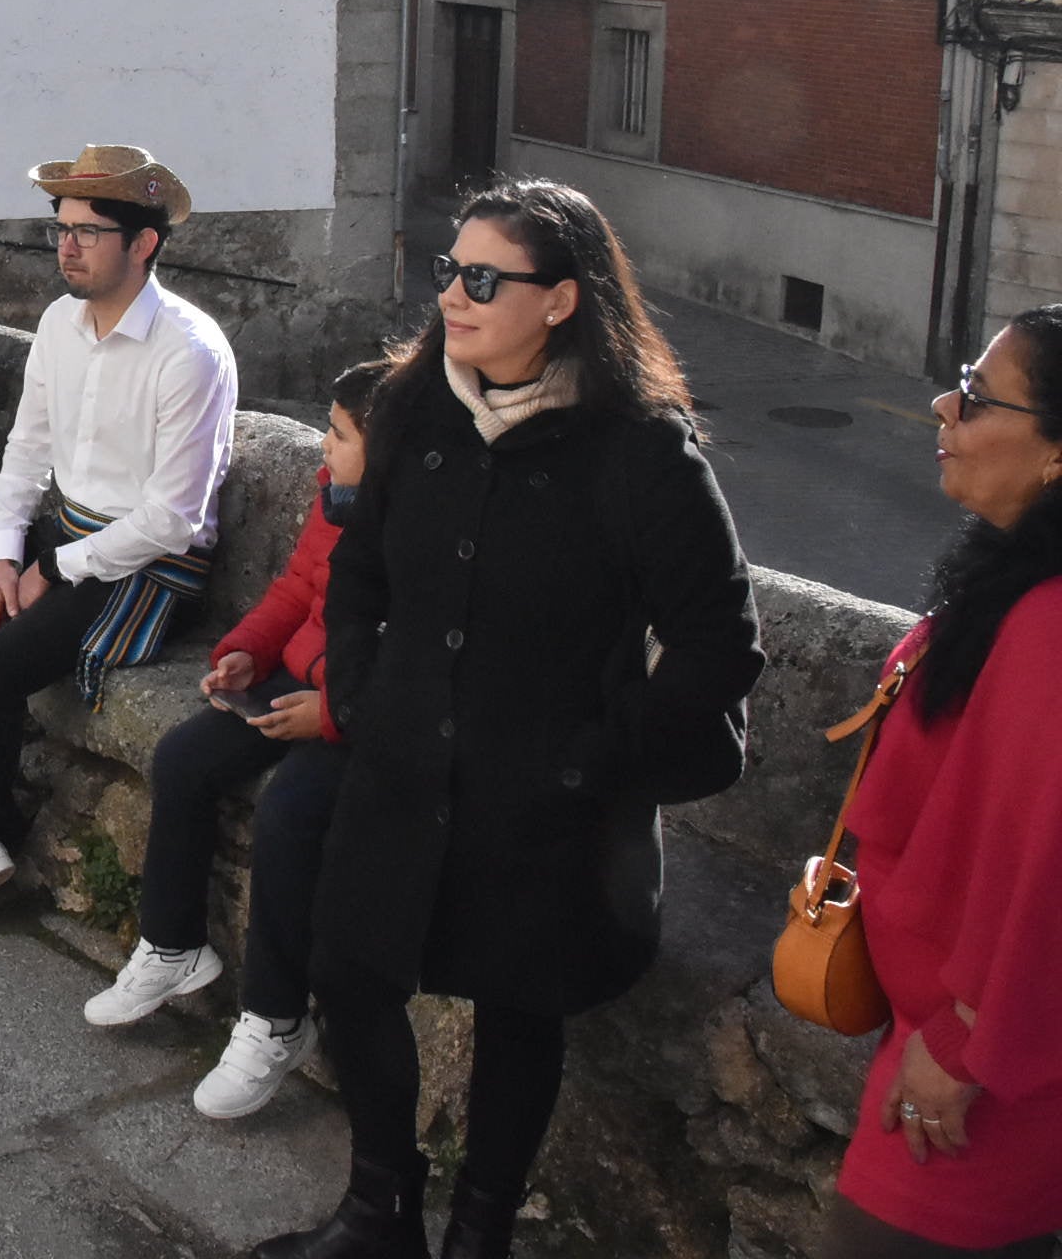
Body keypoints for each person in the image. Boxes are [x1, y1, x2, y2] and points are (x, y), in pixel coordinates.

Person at [258, 179, 764, 1259]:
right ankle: (377, 1211)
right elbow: (358, 570)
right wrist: (354, 683)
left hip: (546, 806)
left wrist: (590, 751)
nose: (451, 293)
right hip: (401, 766)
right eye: (448, 269)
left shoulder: (641, 455)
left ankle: (479, 1229)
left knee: (516, 1008)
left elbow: (721, 646)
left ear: (562, 299)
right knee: (349, 969)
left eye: (483, 278)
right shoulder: (412, 405)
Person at [0, 145, 235, 933]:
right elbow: (29, 452)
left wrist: (52, 569)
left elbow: (173, 517)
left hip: (146, 563)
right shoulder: (58, 324)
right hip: (62, 535)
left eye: (89, 231)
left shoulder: (191, 351)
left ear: (143, 244)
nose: (67, 246)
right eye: (60, 227)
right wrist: (4, 553)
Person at [809, 314, 1062, 1259]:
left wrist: (963, 1040)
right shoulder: (1014, 578)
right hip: (956, 1035)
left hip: (990, 1068)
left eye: (982, 396)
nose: (944, 405)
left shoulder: (1049, 622)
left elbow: (1048, 864)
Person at [86, 355, 388, 1125]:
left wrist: (333, 714)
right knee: (185, 758)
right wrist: (244, 651)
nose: (323, 447)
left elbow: (413, 654)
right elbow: (295, 586)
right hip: (299, 680)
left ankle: (276, 1017)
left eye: (340, 434)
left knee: (291, 811)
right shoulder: (338, 496)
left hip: (360, 710)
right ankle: (173, 944)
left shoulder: (417, 525)